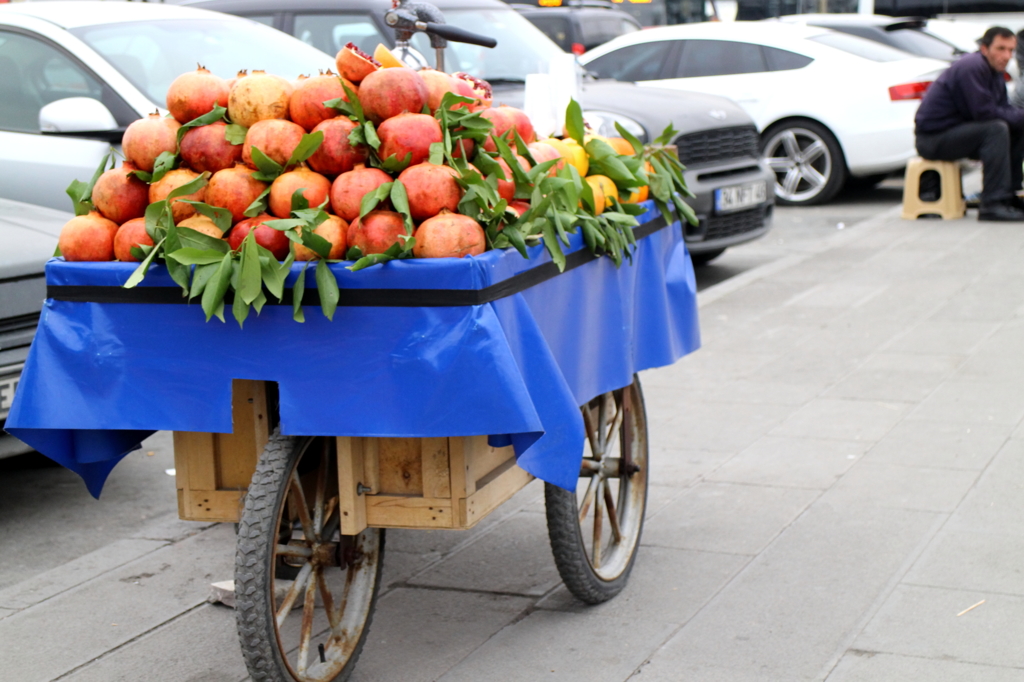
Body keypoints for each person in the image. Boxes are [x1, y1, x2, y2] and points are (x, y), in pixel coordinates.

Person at [915, 26, 1024, 222]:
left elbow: (1004, 109)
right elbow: (984, 112)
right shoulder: (972, 67)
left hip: (958, 132)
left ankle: (1009, 195)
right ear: (984, 48)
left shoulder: (995, 71)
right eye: (1000, 48)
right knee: (996, 129)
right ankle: (992, 203)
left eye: (1010, 50)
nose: (1007, 56)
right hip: (932, 139)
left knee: (1014, 127)